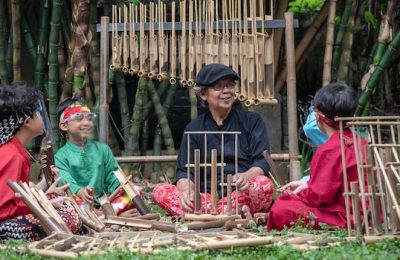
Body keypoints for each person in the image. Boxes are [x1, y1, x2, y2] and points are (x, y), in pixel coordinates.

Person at [152, 64, 274, 217]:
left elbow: (262, 162)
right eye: (219, 86)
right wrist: (187, 191)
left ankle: (209, 215)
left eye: (230, 85)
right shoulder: (193, 128)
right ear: (203, 94)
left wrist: (247, 176)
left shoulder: (252, 121)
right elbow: (184, 171)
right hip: (205, 198)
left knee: (263, 185)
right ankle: (230, 213)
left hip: (240, 194)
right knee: (160, 191)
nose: (226, 91)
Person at [266, 82, 365, 231]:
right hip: (368, 213)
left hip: (348, 218)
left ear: (318, 117)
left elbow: (318, 197)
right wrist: (306, 185)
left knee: (282, 207)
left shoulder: (330, 149)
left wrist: (298, 195)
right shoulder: (360, 141)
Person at [0, 83, 82, 241]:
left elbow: (19, 196)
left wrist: (45, 185)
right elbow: (3, 209)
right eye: (37, 113)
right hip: (4, 225)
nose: (42, 117)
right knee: (68, 217)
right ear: (27, 122)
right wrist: (43, 205)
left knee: (64, 203)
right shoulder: (12, 156)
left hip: (9, 218)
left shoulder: (15, 151)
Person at [55, 99, 137, 217]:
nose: (87, 123)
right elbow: (66, 183)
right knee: (65, 202)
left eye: (89, 118)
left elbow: (114, 176)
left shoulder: (103, 149)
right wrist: (81, 192)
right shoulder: (60, 157)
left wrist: (121, 184)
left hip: (105, 202)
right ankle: (111, 215)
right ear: (64, 125)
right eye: (79, 118)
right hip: (79, 203)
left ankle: (102, 214)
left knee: (134, 191)